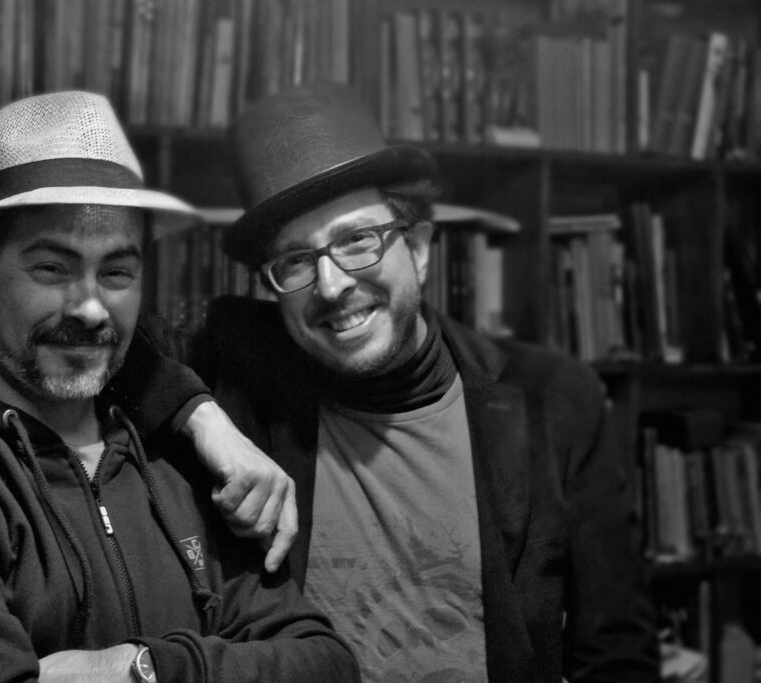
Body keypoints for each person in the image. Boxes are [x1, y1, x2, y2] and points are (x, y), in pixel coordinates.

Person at [0, 90, 358, 683]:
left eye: (116, 272)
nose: (91, 309)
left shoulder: (180, 458)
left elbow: (324, 664)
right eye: (52, 267)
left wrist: (142, 670)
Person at [164, 83, 658, 681]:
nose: (331, 285)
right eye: (295, 260)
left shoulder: (553, 399)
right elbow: (103, 332)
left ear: (419, 248)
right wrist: (203, 418)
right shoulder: (239, 370)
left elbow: (617, 652)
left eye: (357, 240)